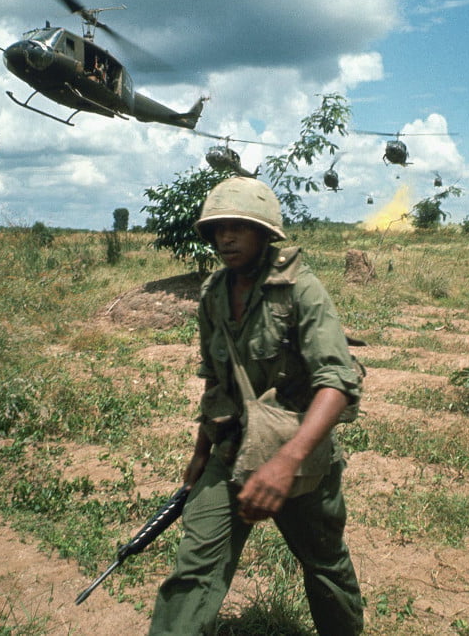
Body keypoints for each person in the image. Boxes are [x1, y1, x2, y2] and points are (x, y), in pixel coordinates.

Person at [149, 177, 364, 635]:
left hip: (298, 453)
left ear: (265, 233)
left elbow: (337, 382)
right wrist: (200, 453)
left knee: (325, 564)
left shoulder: (301, 290)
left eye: (239, 227)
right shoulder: (213, 293)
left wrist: (286, 463)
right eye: (218, 229)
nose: (226, 238)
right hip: (230, 449)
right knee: (194, 569)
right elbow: (216, 380)